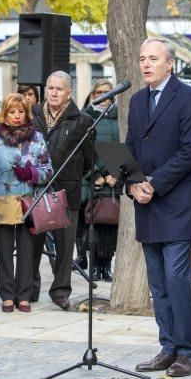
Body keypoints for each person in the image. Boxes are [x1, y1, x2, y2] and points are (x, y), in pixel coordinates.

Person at [126, 38, 191, 377]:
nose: (146, 64)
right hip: (146, 204)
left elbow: (190, 152)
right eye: (143, 59)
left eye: (153, 59)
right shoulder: (136, 100)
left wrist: (154, 184)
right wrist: (131, 184)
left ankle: (189, 351)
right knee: (157, 284)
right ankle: (168, 347)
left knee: (176, 278)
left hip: (177, 204)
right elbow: (130, 146)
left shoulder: (189, 98)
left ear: (170, 64)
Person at [0, 93, 52, 313]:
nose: (17, 116)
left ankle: (24, 295)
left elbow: (48, 170)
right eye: (12, 112)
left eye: (21, 112)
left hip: (29, 200)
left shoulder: (37, 138)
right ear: (4, 113)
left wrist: (31, 173)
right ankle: (7, 295)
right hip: (0, 199)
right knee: (3, 251)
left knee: (27, 251)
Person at [30, 71, 93, 310]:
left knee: (65, 246)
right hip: (35, 188)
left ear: (69, 93)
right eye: (50, 88)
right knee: (32, 243)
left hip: (67, 190)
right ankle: (29, 289)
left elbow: (89, 159)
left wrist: (71, 176)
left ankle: (60, 291)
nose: (54, 93)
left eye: (59, 89)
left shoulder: (82, 120)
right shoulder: (33, 114)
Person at [79, 80, 121, 281]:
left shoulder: (119, 117)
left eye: (107, 92)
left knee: (111, 223)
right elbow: (82, 150)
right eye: (99, 92)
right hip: (92, 178)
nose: (103, 96)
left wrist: (116, 175)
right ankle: (94, 265)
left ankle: (107, 265)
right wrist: (95, 174)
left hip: (113, 180)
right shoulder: (86, 117)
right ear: (93, 94)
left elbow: (124, 148)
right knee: (93, 223)